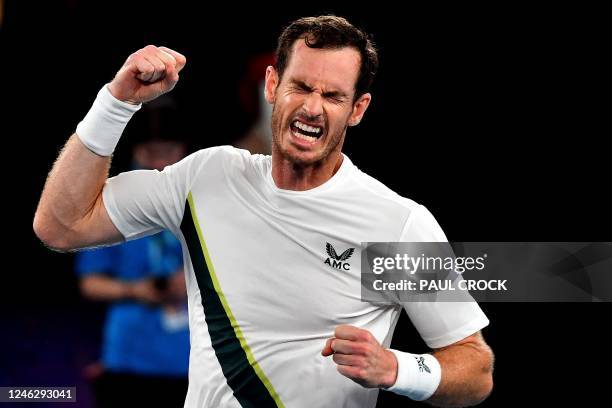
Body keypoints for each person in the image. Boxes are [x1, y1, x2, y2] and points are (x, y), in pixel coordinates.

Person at [34, 15, 494, 408]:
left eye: (333, 96)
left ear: (357, 109)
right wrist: (115, 104)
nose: (312, 108)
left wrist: (398, 369)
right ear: (273, 85)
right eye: (300, 86)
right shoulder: (206, 178)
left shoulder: (397, 223)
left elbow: (474, 370)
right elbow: (61, 224)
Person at [74, 105, 190, 408]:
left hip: (192, 361)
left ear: (185, 151)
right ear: (135, 152)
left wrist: (191, 283)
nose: (159, 163)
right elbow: (90, 284)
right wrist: (136, 290)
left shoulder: (205, 206)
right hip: (128, 358)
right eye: (150, 153)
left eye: (168, 151)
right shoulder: (110, 207)